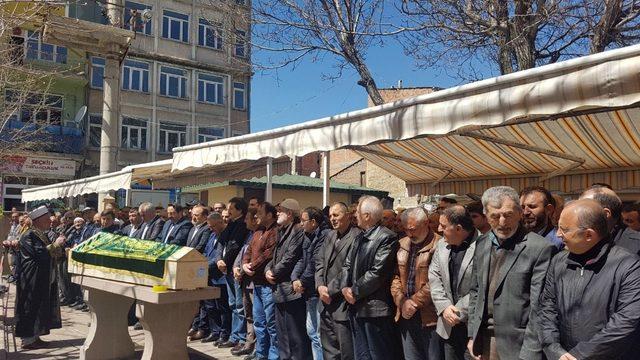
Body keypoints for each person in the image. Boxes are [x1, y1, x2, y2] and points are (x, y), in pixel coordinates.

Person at [538, 199, 640, 359]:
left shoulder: (628, 265)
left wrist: (581, 355)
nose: (558, 234)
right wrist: (554, 350)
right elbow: (547, 310)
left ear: (589, 235)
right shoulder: (559, 261)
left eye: (564, 229)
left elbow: (627, 321)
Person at [467, 186, 555, 360]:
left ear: (519, 212)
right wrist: (472, 335)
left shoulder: (539, 248)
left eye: (507, 215)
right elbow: (475, 292)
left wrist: (530, 352)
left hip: (518, 344)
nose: (502, 222)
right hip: (482, 339)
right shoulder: (482, 243)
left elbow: (539, 307)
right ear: (486, 216)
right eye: (495, 216)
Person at [340, 196, 400, 360]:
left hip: (375, 310)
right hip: (357, 306)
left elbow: (377, 272)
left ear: (367, 216)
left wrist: (354, 290)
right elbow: (347, 264)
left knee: (377, 354)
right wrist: (345, 287)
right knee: (361, 354)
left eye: (358, 212)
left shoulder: (387, 237)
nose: (355, 215)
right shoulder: (360, 236)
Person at [390, 207, 440, 360]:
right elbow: (395, 277)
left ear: (426, 223)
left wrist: (414, 302)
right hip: (406, 314)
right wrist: (401, 300)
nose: (410, 234)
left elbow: (437, 281)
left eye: (413, 229)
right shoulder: (402, 244)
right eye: (406, 230)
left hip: (430, 317)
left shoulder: (439, 245)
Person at [430, 205, 478, 360]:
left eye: (443, 226)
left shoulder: (485, 245)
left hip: (474, 327)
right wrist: (444, 307)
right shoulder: (442, 246)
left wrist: (458, 311)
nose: (438, 229)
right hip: (448, 325)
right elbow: (434, 276)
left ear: (458, 228)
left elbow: (484, 286)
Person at [265, 199, 311, 360]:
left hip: (291, 290)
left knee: (295, 334)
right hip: (279, 289)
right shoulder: (281, 230)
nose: (277, 213)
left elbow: (290, 257)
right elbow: (274, 256)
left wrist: (274, 272)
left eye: (281, 211)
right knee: (282, 333)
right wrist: (267, 271)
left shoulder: (297, 231)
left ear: (290, 213)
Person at [315, 202, 360, 360]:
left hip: (342, 304)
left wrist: (330, 290)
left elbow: (348, 269)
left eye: (336, 215)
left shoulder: (356, 236)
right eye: (331, 216)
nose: (332, 219)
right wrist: (320, 286)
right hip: (325, 302)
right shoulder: (330, 235)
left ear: (347, 216)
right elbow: (319, 261)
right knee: (329, 351)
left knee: (346, 351)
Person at [15, 206, 63, 349]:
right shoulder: (29, 234)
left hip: (40, 276)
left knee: (38, 306)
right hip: (31, 277)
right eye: (47, 219)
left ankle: (35, 336)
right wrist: (56, 244)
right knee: (29, 306)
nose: (50, 222)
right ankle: (28, 340)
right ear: (39, 220)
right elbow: (41, 254)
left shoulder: (40, 233)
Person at [243, 202, 279, 360]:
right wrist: (245, 263)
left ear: (270, 215)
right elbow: (249, 249)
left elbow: (268, 253)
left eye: (260, 213)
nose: (256, 216)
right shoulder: (258, 231)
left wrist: (252, 265)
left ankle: (273, 356)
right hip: (256, 282)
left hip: (267, 285)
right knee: (258, 322)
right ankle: (260, 354)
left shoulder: (275, 231)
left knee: (271, 323)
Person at [293, 207, 328, 360]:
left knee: (319, 334)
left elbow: (315, 262)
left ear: (313, 222)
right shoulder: (307, 235)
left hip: (316, 290)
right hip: (308, 290)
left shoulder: (324, 236)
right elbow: (302, 259)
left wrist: (302, 281)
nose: (301, 224)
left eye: (303, 220)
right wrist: (295, 278)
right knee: (312, 332)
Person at [217, 197, 250, 349]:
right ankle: (234, 335)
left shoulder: (243, 224)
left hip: (234, 268)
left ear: (239, 210)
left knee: (239, 305)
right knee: (232, 304)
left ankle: (240, 337)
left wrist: (225, 261)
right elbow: (222, 240)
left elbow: (235, 246)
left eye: (231, 208)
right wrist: (219, 260)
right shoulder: (231, 223)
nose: (228, 211)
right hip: (226, 269)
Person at [194, 212, 231, 344]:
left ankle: (224, 333)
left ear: (220, 222)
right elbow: (206, 252)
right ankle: (214, 331)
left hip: (219, 277)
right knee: (210, 307)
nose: (211, 229)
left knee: (223, 308)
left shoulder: (226, 235)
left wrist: (202, 266)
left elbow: (217, 257)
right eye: (209, 226)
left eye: (213, 226)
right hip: (208, 276)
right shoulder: (212, 235)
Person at [232, 207, 260, 357]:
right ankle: (249, 343)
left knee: (257, 317)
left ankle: (257, 347)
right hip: (244, 281)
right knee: (248, 315)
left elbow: (253, 259)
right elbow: (242, 253)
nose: (244, 221)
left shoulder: (260, 235)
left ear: (255, 219)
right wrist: (236, 267)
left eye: (247, 218)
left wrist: (241, 269)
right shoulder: (248, 235)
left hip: (254, 282)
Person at [581, 186, 640, 256]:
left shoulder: (636, 245)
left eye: (583, 209)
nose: (577, 214)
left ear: (605, 214)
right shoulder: (577, 240)